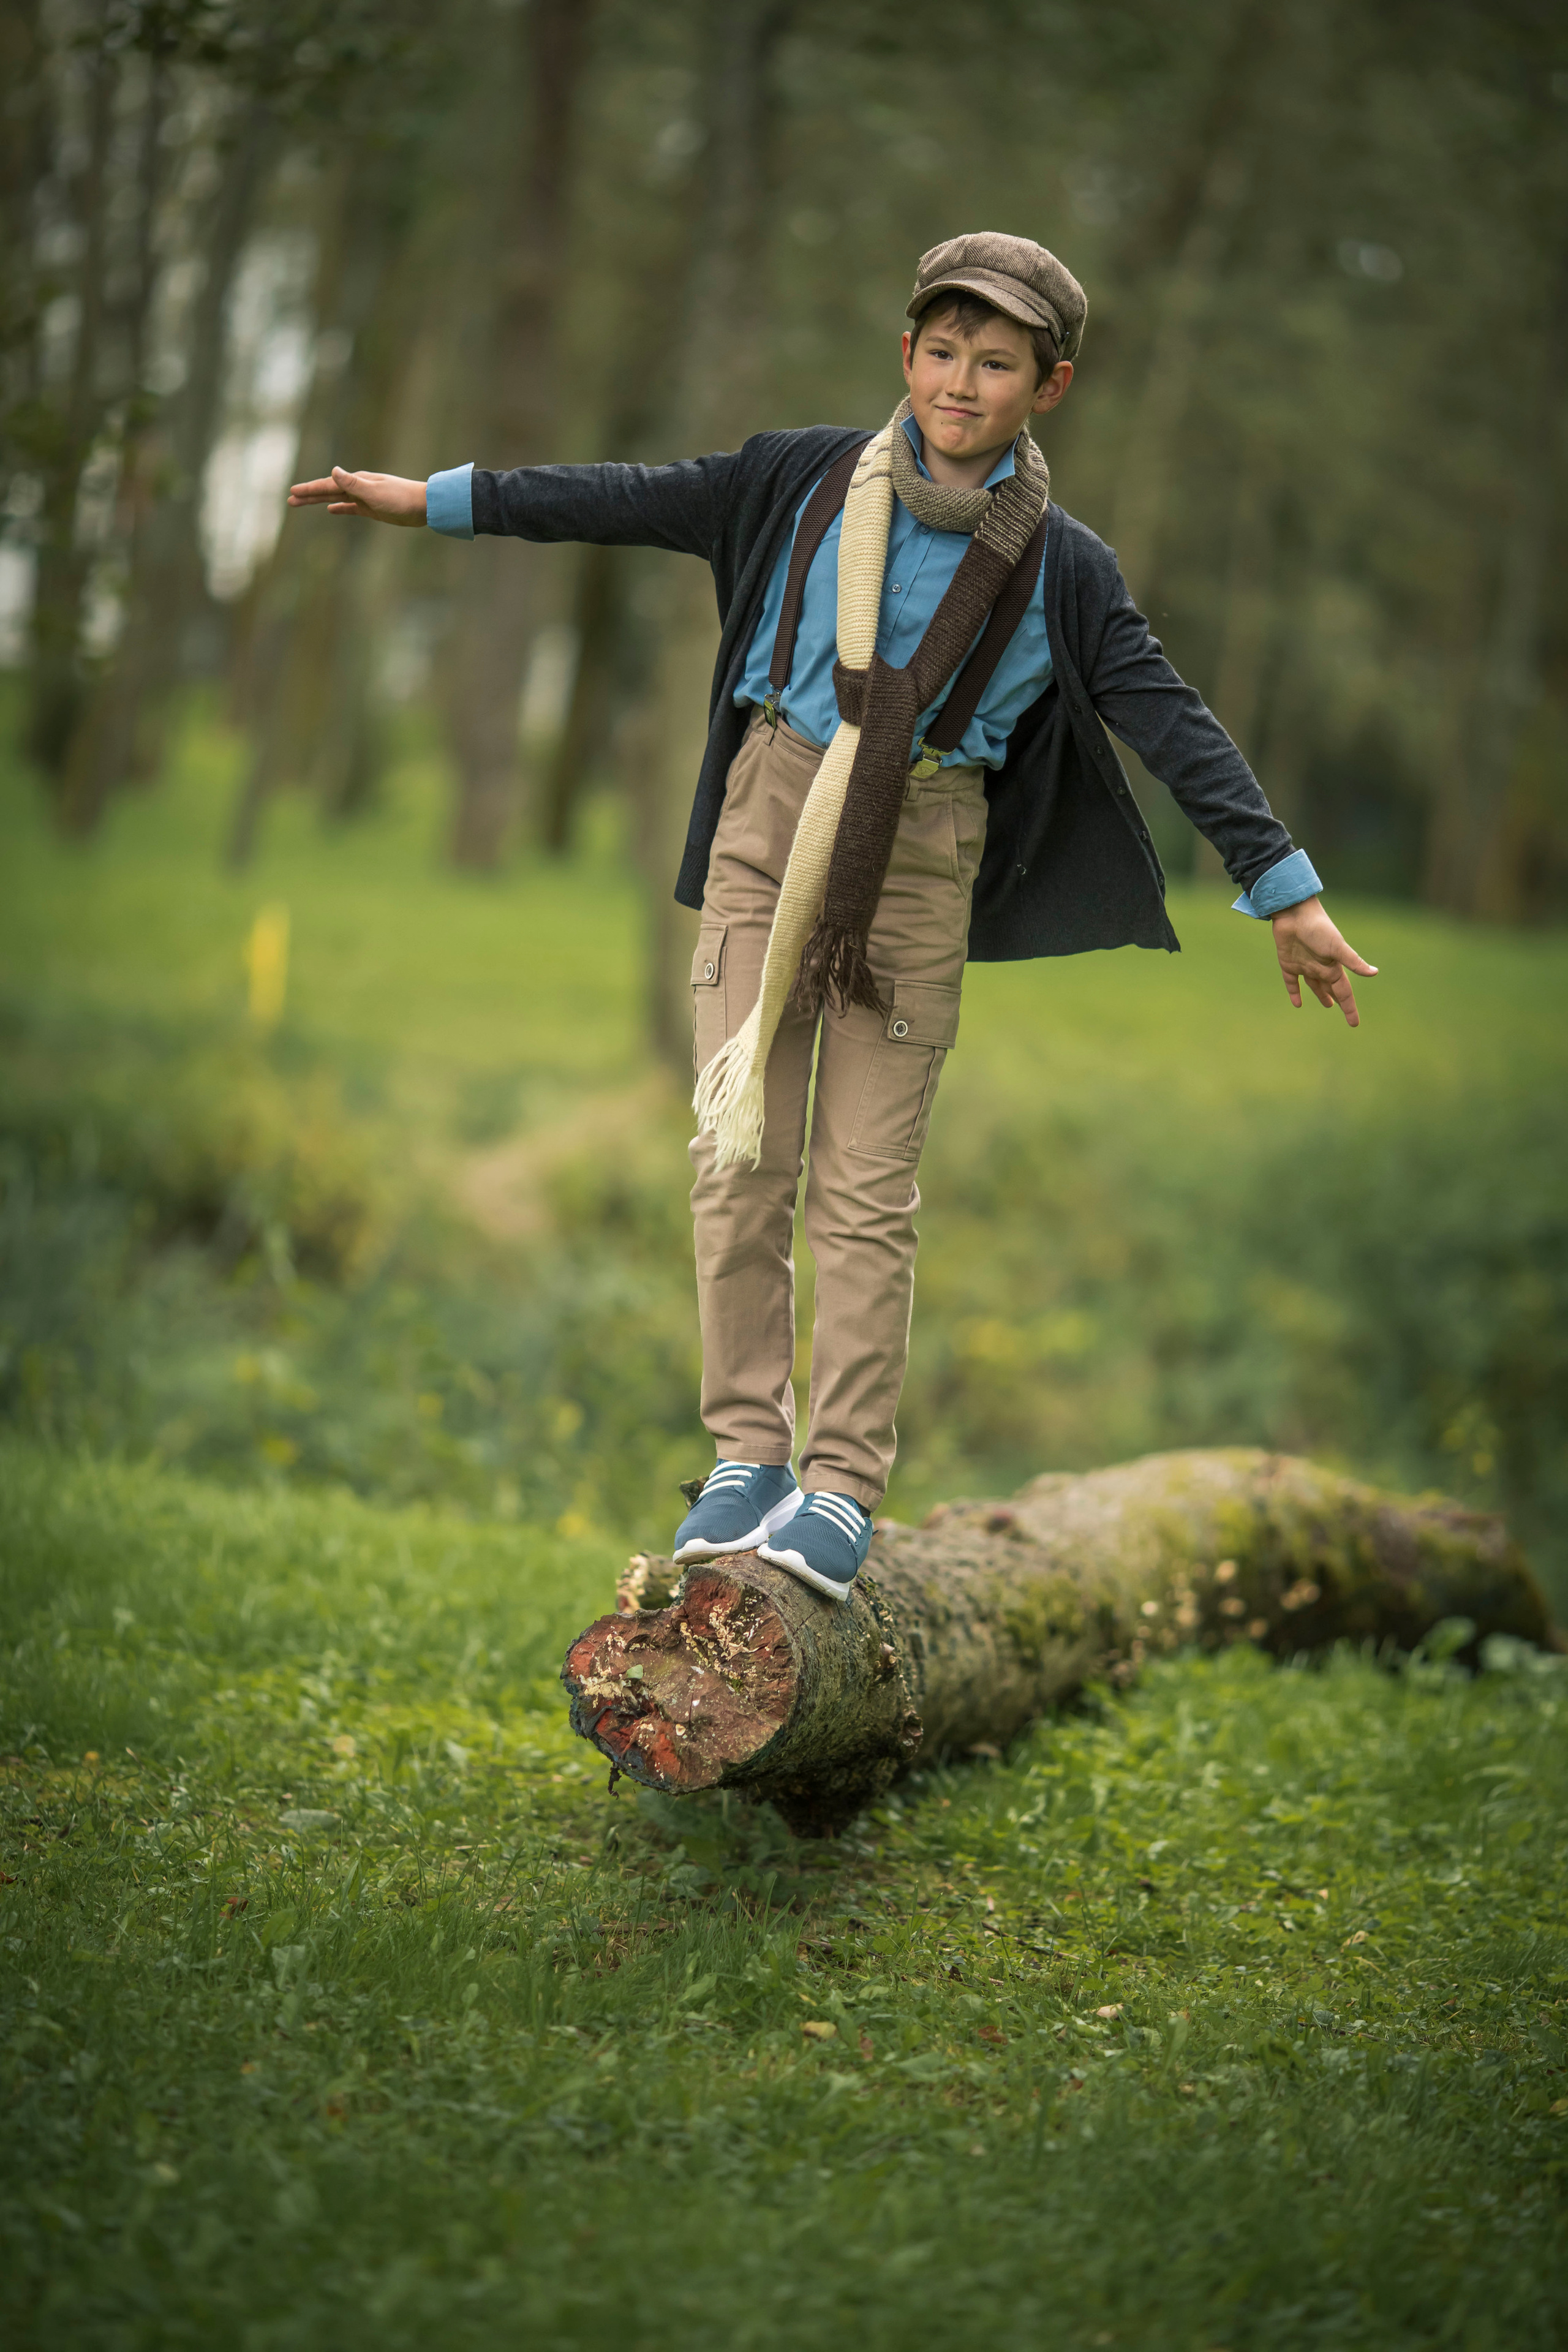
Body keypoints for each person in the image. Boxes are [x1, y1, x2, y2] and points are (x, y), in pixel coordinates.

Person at [288, 230, 1376, 1605]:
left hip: (921, 853)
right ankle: (745, 1454)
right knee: (737, 1154)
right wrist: (430, 501)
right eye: (941, 351)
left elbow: (1171, 721)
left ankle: (842, 1481)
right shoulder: (795, 480)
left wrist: (1283, 890)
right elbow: (618, 497)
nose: (959, 384)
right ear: (905, 354)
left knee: (863, 1195)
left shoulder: (1065, 569)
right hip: (768, 823)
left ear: (1050, 386)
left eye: (995, 363)